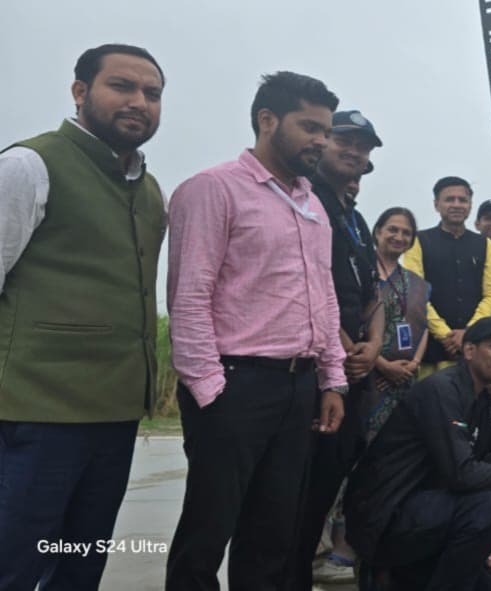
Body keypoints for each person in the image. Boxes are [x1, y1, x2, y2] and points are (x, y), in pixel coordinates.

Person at [166, 71, 347, 590]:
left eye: (325, 130)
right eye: (309, 126)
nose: (321, 140)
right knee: (207, 534)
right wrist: (210, 392)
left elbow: (325, 298)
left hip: (298, 387)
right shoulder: (212, 189)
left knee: (272, 534)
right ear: (267, 121)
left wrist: (331, 379)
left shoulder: (314, 205)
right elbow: (189, 295)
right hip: (233, 384)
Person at [0, 43, 166, 589]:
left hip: (113, 416)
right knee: (14, 562)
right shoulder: (30, 165)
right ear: (80, 92)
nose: (139, 101)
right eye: (122, 86)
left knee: (80, 562)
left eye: (152, 93)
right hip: (33, 414)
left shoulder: (148, 190)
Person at [343, 316, 491, 590]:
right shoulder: (442, 389)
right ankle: (387, 569)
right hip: (388, 517)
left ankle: (436, 567)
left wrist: (488, 532)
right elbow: (462, 473)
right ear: (469, 350)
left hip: (438, 507)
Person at [293, 108, 386, 590]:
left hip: (356, 372)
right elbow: (313, 287)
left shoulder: (355, 218)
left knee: (336, 474)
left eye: (364, 147)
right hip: (319, 370)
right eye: (345, 140)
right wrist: (348, 348)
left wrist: (372, 344)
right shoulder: (303, 202)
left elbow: (374, 293)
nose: (354, 152)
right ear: (323, 142)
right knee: (299, 489)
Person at [402, 176, 491, 374]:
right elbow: (415, 295)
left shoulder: (484, 244)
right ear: (436, 204)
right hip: (429, 349)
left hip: (475, 348)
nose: (456, 205)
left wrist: (468, 333)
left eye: (462, 200)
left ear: (470, 205)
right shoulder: (418, 241)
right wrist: (446, 335)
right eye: (449, 200)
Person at [369, 207, 431, 439]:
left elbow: (423, 326)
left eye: (406, 233)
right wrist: (383, 365)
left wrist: (414, 363)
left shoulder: (416, 283)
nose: (399, 237)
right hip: (365, 374)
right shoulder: (362, 273)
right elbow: (348, 324)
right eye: (392, 229)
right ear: (377, 232)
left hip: (405, 378)